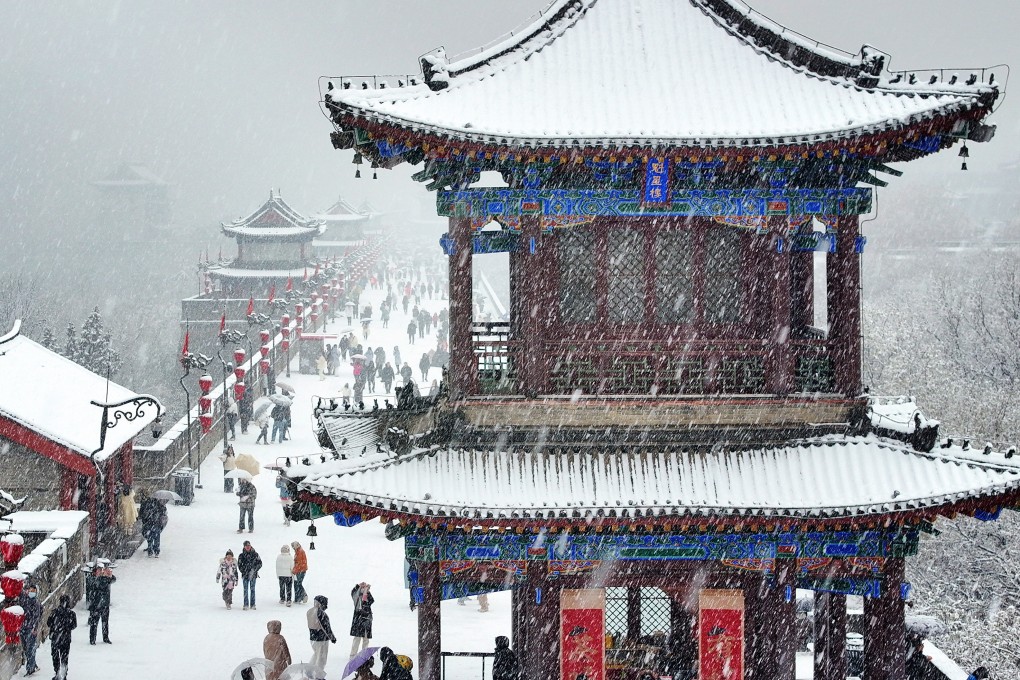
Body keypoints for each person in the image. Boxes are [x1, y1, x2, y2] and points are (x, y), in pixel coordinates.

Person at [45, 595, 76, 680]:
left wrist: (56, 628)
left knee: (55, 656)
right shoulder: (71, 613)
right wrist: (66, 627)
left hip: (55, 638)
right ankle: (63, 674)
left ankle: (57, 672)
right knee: (64, 658)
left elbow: (49, 623)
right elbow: (74, 625)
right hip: (66, 639)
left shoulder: (54, 612)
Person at [86, 564, 116, 644]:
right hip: (95, 605)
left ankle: (105, 638)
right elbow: (98, 585)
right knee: (94, 623)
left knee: (105, 622)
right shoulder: (92, 579)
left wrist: (109, 575)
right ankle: (92, 639)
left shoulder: (104, 579)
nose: (100, 572)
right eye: (99, 570)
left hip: (104, 604)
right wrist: (103, 577)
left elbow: (113, 580)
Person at [307, 595, 337, 677]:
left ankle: (309, 670)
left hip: (312, 638)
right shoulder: (321, 614)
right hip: (321, 639)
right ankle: (319, 676)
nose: (326, 606)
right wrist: (332, 638)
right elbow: (326, 628)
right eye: (325, 604)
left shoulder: (309, 611)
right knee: (321, 659)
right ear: (321, 604)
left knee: (316, 654)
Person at [18, 583, 42, 676]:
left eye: (33, 591)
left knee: (30, 649)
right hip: (23, 628)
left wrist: (34, 628)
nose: (31, 592)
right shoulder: (24, 599)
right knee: (26, 648)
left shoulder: (36, 603)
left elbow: (36, 617)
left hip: (30, 629)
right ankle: (33, 664)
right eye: (30, 590)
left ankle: (30, 669)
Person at [138, 493, 167, 557]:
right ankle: (156, 551)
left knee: (149, 537)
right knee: (156, 537)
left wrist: (144, 520)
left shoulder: (145, 504)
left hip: (148, 523)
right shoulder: (159, 504)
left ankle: (150, 551)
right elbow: (163, 512)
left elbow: (142, 513)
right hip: (156, 523)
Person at [350, 582, 374, 656]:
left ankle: (364, 653)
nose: (364, 589)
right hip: (359, 619)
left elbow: (371, 601)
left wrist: (367, 591)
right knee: (357, 638)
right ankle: (353, 654)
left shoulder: (367, 596)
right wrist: (358, 585)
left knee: (366, 639)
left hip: (366, 619)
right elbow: (353, 592)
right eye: (363, 588)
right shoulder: (356, 596)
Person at [238, 540, 263, 611]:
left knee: (253, 590)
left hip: (253, 575)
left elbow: (260, 563)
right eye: (246, 546)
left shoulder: (255, 554)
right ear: (244, 547)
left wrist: (254, 570)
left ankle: (253, 604)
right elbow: (239, 565)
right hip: (245, 575)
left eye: (248, 546)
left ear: (250, 546)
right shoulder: (241, 555)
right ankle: (245, 604)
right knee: (245, 590)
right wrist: (244, 571)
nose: (248, 547)